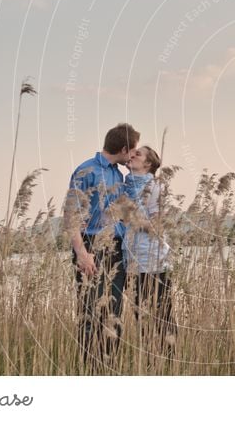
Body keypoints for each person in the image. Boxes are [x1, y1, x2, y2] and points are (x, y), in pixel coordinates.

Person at [64, 123, 141, 370]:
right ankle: (88, 370)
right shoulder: (86, 171)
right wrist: (82, 254)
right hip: (91, 247)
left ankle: (108, 368)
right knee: (90, 314)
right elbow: (71, 217)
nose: (133, 156)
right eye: (133, 151)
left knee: (114, 313)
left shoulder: (119, 174)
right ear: (123, 148)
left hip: (116, 249)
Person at [121, 146, 177, 349]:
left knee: (163, 317)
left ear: (148, 164)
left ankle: (170, 364)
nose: (132, 154)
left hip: (153, 261)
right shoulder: (124, 185)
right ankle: (150, 363)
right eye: (132, 152)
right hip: (131, 262)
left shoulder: (154, 187)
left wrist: (131, 216)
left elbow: (158, 227)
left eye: (138, 154)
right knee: (141, 319)